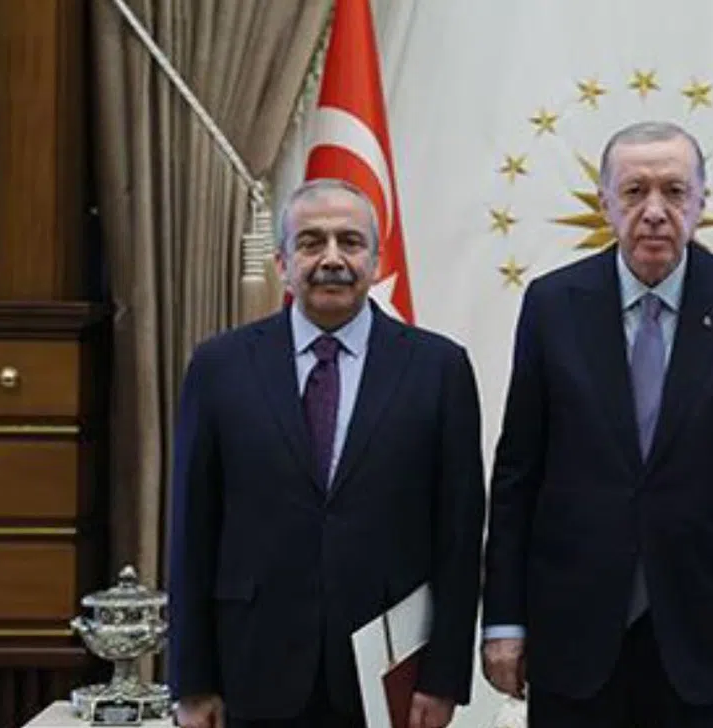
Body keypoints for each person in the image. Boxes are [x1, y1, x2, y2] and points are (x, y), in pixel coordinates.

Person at [479, 120, 713, 728]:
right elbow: (518, 474)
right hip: (574, 633)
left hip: (709, 634)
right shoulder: (552, 305)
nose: (654, 211)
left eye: (674, 192)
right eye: (634, 192)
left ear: (701, 202)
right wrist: (502, 619)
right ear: (605, 202)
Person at [167, 178, 486, 728]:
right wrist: (192, 682)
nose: (332, 258)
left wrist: (444, 678)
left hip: (386, 674)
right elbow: (193, 530)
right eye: (311, 242)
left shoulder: (439, 369)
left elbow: (459, 536)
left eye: (350, 242)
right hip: (251, 668)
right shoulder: (220, 367)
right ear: (282, 263)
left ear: (376, 261)